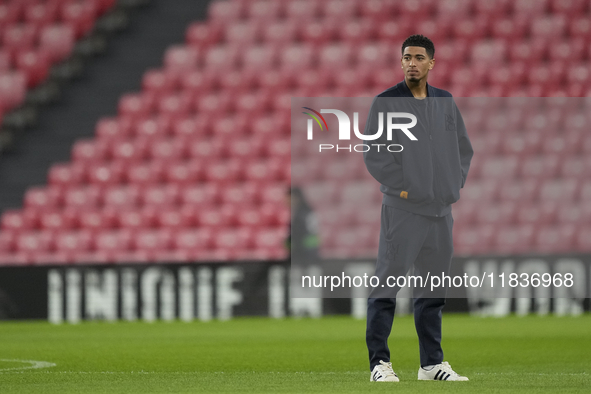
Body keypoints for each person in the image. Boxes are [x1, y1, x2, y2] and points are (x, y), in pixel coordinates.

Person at [363, 35, 473, 382]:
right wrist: (405, 189)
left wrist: (452, 185)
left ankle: (431, 365)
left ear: (431, 63)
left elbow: (463, 149)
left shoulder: (445, 102)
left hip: (440, 213)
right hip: (403, 211)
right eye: (406, 57)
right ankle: (379, 364)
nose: (411, 62)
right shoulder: (386, 102)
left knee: (433, 290)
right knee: (386, 287)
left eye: (418, 57)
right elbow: (374, 154)